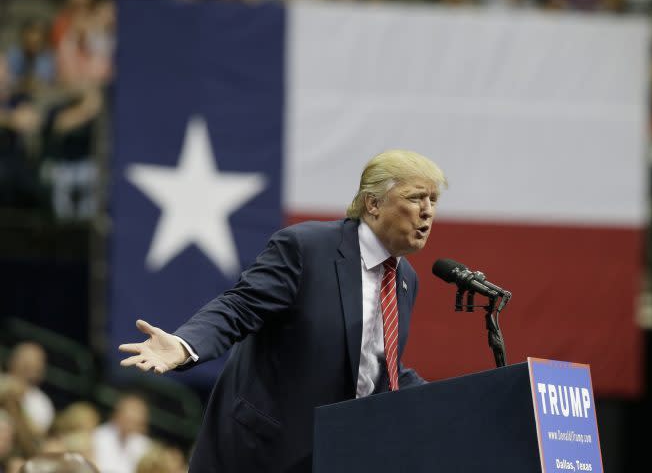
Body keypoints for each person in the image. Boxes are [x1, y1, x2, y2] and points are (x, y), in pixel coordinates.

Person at [119, 149, 447, 472]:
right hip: (262, 454)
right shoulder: (308, 248)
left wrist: (449, 403)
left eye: (433, 200)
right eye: (417, 198)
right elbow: (239, 305)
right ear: (373, 203)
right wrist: (184, 344)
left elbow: (374, 365)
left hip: (335, 455)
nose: (428, 211)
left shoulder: (405, 279)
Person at [91, 395, 151, 473]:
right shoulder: (97, 436)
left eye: (135, 421)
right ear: (117, 414)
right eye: (129, 419)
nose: (132, 423)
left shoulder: (145, 445)